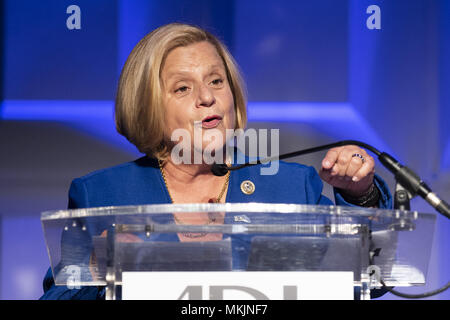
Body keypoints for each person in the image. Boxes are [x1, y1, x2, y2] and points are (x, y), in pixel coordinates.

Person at [40, 23, 392, 300]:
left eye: (216, 81)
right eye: (182, 88)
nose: (207, 97)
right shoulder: (102, 193)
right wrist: (95, 265)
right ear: (146, 106)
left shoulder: (290, 185)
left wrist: (361, 195)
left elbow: (367, 282)